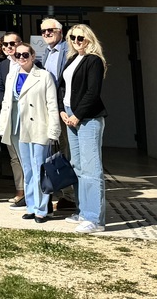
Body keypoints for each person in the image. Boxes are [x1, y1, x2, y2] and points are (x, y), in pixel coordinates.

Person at [0, 41, 60, 223]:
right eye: (17, 55)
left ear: (33, 56)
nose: (21, 58)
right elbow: (6, 103)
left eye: (25, 54)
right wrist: (2, 125)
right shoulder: (11, 75)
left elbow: (52, 104)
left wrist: (54, 131)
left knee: (39, 168)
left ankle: (42, 209)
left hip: (39, 126)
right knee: (27, 169)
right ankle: (31, 206)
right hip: (18, 127)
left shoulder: (44, 76)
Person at [60, 24, 108, 234]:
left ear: (89, 39)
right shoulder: (72, 59)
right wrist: (63, 111)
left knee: (91, 169)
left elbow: (92, 92)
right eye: (73, 37)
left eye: (81, 38)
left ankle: (94, 219)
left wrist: (77, 115)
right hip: (70, 115)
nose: (76, 41)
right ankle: (83, 211)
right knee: (78, 166)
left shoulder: (94, 60)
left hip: (87, 118)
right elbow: (64, 87)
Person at [38, 17, 77, 213]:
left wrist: (62, 108)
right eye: (43, 31)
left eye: (50, 30)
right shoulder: (46, 52)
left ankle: (70, 196)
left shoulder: (68, 50)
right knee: (53, 152)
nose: (46, 34)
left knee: (66, 151)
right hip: (49, 108)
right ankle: (59, 192)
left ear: (60, 31)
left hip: (64, 108)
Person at [0, 31, 26, 208]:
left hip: (27, 116)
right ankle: (20, 191)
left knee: (28, 156)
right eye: (5, 44)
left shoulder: (30, 62)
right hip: (9, 116)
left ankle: (33, 192)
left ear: (20, 44)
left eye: (12, 44)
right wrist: (6, 105)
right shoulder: (2, 66)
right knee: (14, 157)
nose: (8, 47)